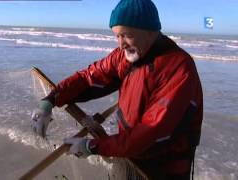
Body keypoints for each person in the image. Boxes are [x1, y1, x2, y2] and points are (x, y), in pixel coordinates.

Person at [31, 0, 203, 179]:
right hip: (128, 154)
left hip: (161, 169)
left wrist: (93, 146)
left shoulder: (178, 69)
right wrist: (51, 99)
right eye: (117, 36)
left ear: (151, 31)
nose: (121, 44)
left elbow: (151, 133)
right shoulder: (125, 56)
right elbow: (88, 78)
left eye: (127, 35)